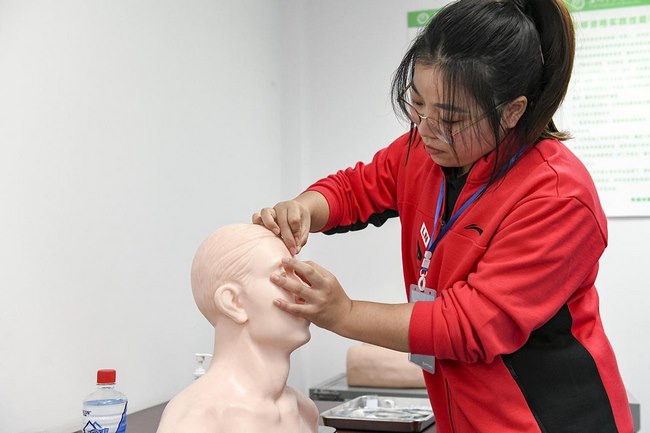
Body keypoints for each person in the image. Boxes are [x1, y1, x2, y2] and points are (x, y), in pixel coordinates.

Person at [253, 0, 633, 432]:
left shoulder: (558, 196)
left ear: (512, 111)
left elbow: (469, 325)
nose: (426, 128)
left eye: (450, 117)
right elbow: (353, 189)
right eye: (417, 104)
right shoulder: (423, 152)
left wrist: (344, 313)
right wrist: (303, 207)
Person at [156, 224, 319, 433]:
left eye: (296, 273)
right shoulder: (195, 422)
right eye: (281, 275)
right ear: (233, 302)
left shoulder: (304, 411)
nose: (302, 291)